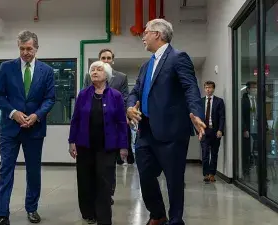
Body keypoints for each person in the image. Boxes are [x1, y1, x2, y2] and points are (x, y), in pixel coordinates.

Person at [126, 19, 206, 225]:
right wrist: (129, 107)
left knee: (174, 180)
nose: (142, 36)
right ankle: (158, 213)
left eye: (146, 32)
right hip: (145, 131)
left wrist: (196, 113)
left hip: (171, 131)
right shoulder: (146, 65)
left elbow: (190, 88)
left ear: (157, 35)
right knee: (144, 175)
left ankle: (176, 220)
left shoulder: (178, 58)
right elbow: (135, 91)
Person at [0, 30, 55, 225]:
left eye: (29, 48)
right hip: (10, 129)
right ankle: (3, 214)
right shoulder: (6, 68)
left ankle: (32, 208)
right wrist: (13, 113)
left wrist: (36, 116)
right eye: (22, 48)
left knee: (33, 171)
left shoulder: (47, 71)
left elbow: (50, 98)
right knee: (5, 170)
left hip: (34, 129)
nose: (26, 52)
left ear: (36, 48)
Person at [69, 61, 128, 225]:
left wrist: (123, 146)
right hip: (84, 145)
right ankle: (88, 213)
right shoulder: (83, 94)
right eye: (92, 69)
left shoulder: (115, 95)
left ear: (107, 75)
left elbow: (122, 122)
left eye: (99, 69)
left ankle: (103, 218)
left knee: (104, 182)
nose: (95, 72)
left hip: (107, 147)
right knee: (85, 181)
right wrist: (71, 141)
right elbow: (76, 119)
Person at [83, 48, 133, 205]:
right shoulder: (89, 75)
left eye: (108, 58)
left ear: (113, 60)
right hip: (94, 126)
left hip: (113, 125)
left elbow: (125, 97)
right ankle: (95, 193)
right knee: (94, 164)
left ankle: (108, 193)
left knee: (109, 165)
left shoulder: (121, 77)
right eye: (102, 58)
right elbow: (85, 95)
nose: (105, 60)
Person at [201, 81, 225, 183]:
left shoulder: (219, 101)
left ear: (213, 89)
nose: (208, 89)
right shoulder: (200, 101)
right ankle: (206, 174)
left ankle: (212, 174)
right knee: (205, 153)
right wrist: (199, 131)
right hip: (204, 131)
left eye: (210, 88)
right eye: (206, 88)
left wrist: (220, 130)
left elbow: (222, 117)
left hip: (215, 131)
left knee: (214, 153)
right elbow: (196, 117)